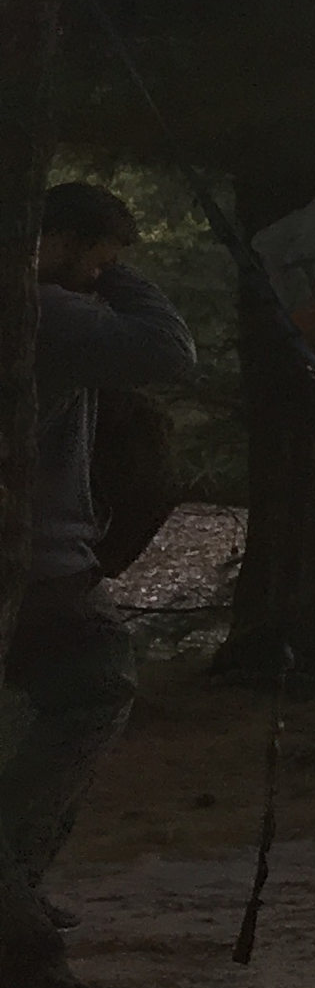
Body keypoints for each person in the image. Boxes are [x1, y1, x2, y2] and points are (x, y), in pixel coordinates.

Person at [9, 184, 198, 917]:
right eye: (96, 256)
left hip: (35, 553)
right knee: (96, 682)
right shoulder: (46, 312)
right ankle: (12, 880)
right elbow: (168, 350)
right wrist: (112, 277)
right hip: (38, 559)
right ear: (52, 240)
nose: (100, 274)